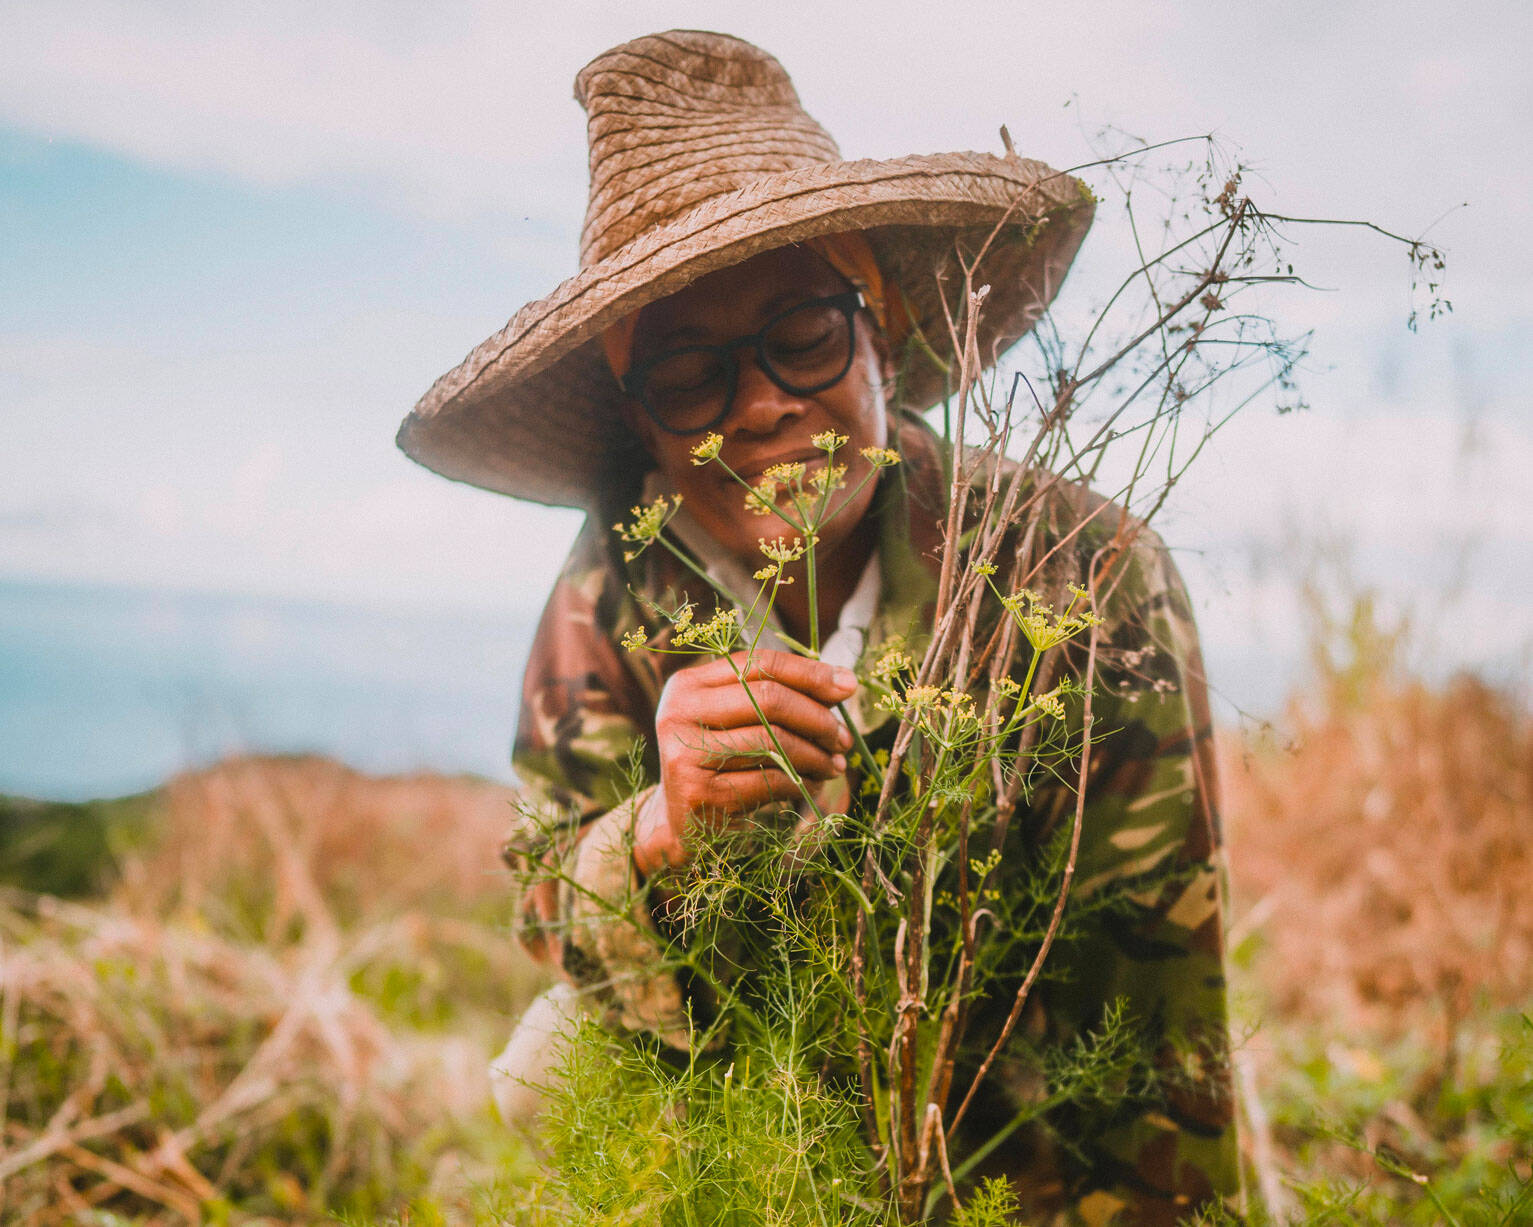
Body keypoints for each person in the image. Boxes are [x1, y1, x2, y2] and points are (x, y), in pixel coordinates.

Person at [399, 29, 1241, 1223]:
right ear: (641, 421)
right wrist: (653, 834)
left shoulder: (1081, 575)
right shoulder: (611, 593)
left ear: (882, 328)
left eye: (803, 337)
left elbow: (1153, 1036)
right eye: (690, 376)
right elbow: (545, 898)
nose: (761, 406)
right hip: (734, 1168)